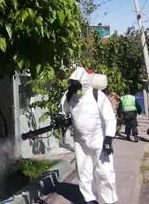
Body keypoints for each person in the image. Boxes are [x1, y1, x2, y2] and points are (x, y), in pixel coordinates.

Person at [60, 68, 118, 204]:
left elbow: (110, 118)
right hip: (80, 140)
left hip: (100, 139)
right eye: (72, 84)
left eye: (76, 85)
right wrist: (61, 117)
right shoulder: (69, 95)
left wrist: (109, 138)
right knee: (83, 170)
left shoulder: (97, 95)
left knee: (105, 172)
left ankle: (110, 200)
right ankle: (90, 198)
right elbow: (63, 111)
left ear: (84, 83)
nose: (74, 88)